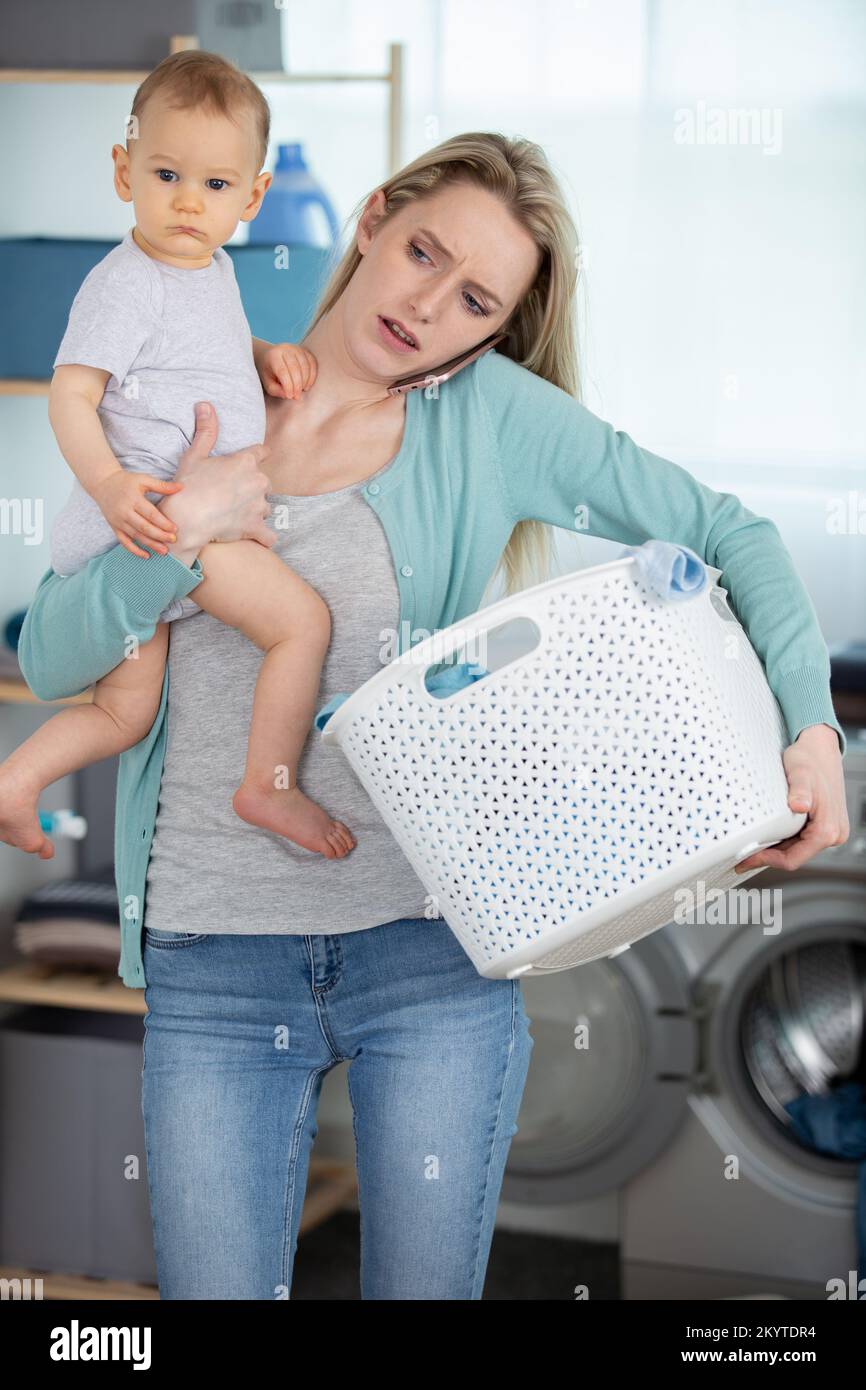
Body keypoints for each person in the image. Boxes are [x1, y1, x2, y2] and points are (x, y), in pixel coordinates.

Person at [13, 119, 849, 1297]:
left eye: (473, 302)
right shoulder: (185, 382)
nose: (426, 307)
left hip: (427, 958)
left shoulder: (489, 419)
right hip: (213, 961)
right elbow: (50, 655)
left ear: (493, 332)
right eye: (421, 254)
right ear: (372, 220)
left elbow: (730, 533)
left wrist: (806, 730)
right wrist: (179, 533)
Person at [0, 49, 355, 860]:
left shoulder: (212, 270)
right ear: (124, 172)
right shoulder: (126, 283)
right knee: (302, 623)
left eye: (216, 186)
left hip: (164, 525)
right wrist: (111, 483)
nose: (189, 202)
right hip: (155, 520)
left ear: (253, 198)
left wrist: (262, 355)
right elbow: (71, 394)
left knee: (126, 713)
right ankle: (268, 785)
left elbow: (201, 353)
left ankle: (15, 781)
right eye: (166, 175)